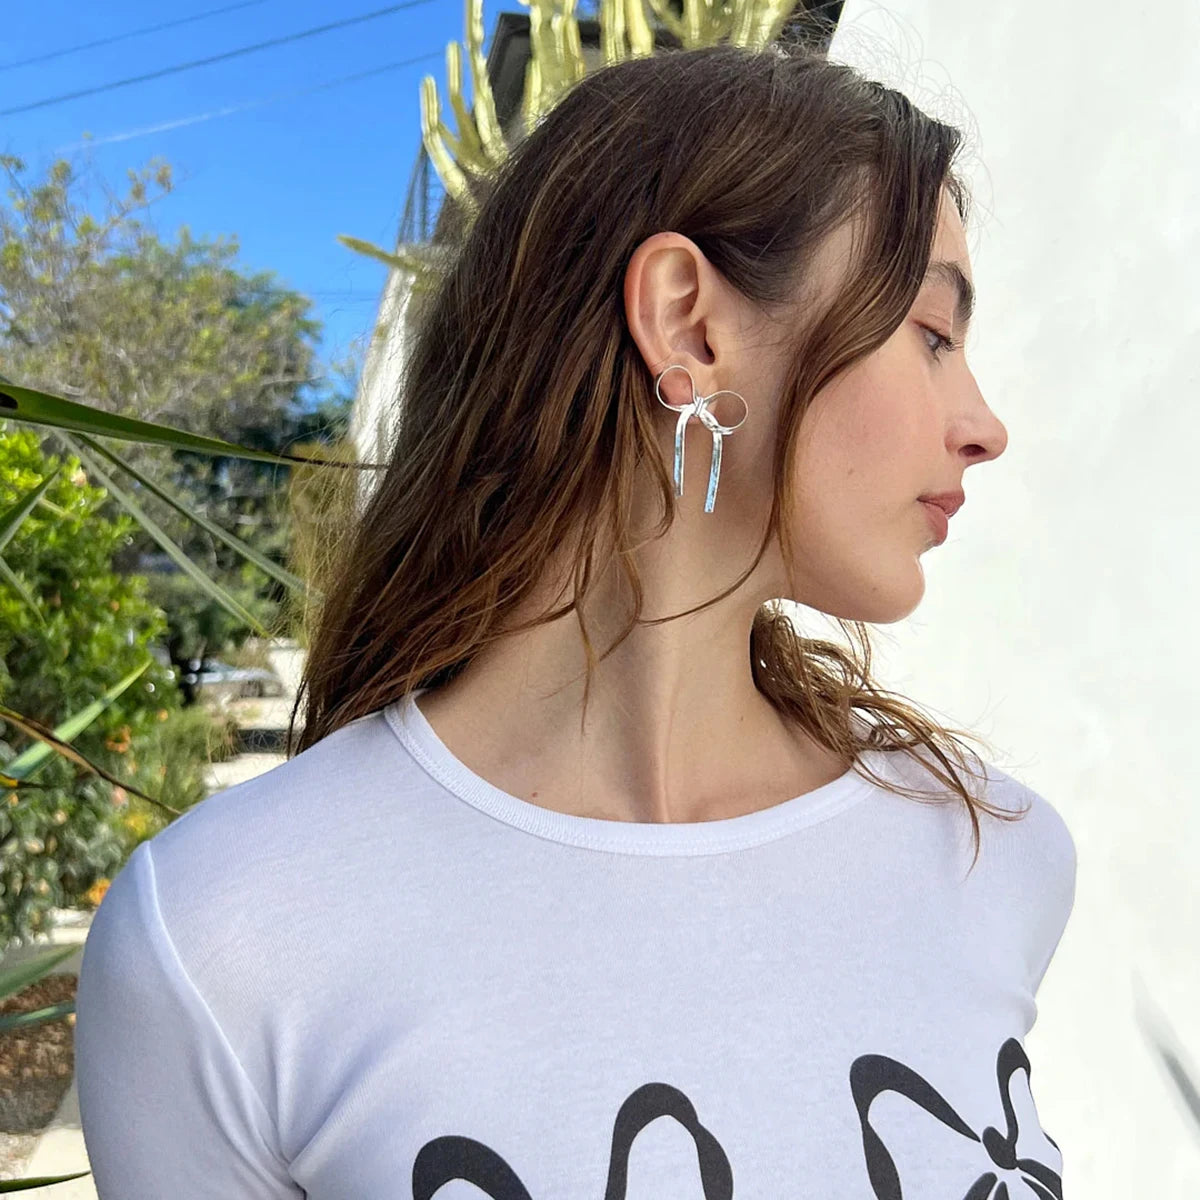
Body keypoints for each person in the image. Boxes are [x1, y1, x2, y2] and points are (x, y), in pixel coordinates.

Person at [73, 40, 1076, 1199]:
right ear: (688, 323)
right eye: (933, 335)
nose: (984, 425)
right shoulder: (220, 943)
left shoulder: (992, 854)